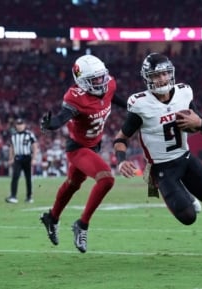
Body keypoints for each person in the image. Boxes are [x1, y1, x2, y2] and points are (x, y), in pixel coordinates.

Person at [112, 53, 202, 266]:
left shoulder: (183, 93)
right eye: (156, 75)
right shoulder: (140, 104)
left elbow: (201, 127)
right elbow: (121, 138)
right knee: (188, 217)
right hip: (161, 169)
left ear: (171, 74)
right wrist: (121, 160)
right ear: (147, 78)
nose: (161, 79)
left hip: (185, 159)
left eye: (164, 74)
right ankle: (177, 193)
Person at [39, 54, 126, 253]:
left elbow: (113, 97)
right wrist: (52, 124)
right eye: (95, 79)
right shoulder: (76, 98)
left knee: (72, 185)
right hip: (78, 148)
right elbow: (63, 116)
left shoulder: (109, 84)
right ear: (82, 80)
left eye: (102, 76)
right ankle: (82, 224)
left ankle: (51, 218)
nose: (101, 81)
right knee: (106, 179)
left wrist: (132, 108)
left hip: (94, 145)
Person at [5, 118, 39, 204]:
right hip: (17, 158)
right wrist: (11, 158)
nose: (19, 126)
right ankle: (13, 196)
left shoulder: (29, 134)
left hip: (27, 157)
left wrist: (34, 158)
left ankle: (29, 196)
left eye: (21, 124)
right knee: (15, 177)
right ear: (16, 126)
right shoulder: (13, 135)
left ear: (24, 125)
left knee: (28, 178)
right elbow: (11, 147)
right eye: (18, 124)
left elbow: (35, 146)